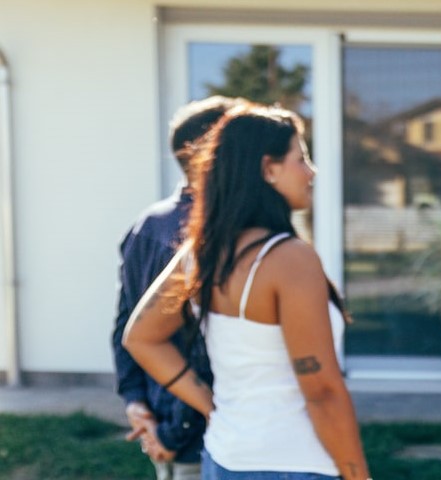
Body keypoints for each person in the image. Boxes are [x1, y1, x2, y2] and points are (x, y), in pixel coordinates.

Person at [123, 104, 371, 480]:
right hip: (294, 464)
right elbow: (321, 390)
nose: (311, 172)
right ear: (269, 169)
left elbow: (141, 338)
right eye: (301, 158)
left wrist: (211, 407)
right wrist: (357, 475)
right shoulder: (290, 259)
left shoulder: (203, 252)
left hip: (226, 458)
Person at [112, 95, 240, 480]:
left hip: (163, 422)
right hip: (197, 432)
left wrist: (135, 401)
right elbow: (194, 342)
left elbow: (125, 325)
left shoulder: (147, 223)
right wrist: (176, 430)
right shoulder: (208, 233)